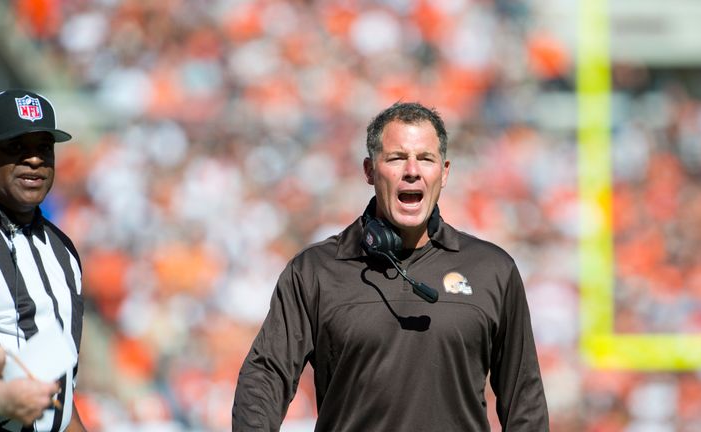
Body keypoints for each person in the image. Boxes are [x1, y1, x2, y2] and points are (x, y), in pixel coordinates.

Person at [233, 102, 548, 431]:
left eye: (425, 158)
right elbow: (265, 377)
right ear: (369, 171)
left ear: (445, 171)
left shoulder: (492, 270)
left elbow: (524, 397)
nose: (412, 170)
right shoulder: (316, 271)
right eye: (397, 158)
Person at [0, 89, 87, 431]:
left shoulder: (63, 251)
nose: (34, 160)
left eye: (43, 148)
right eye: (17, 148)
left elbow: (60, 396)